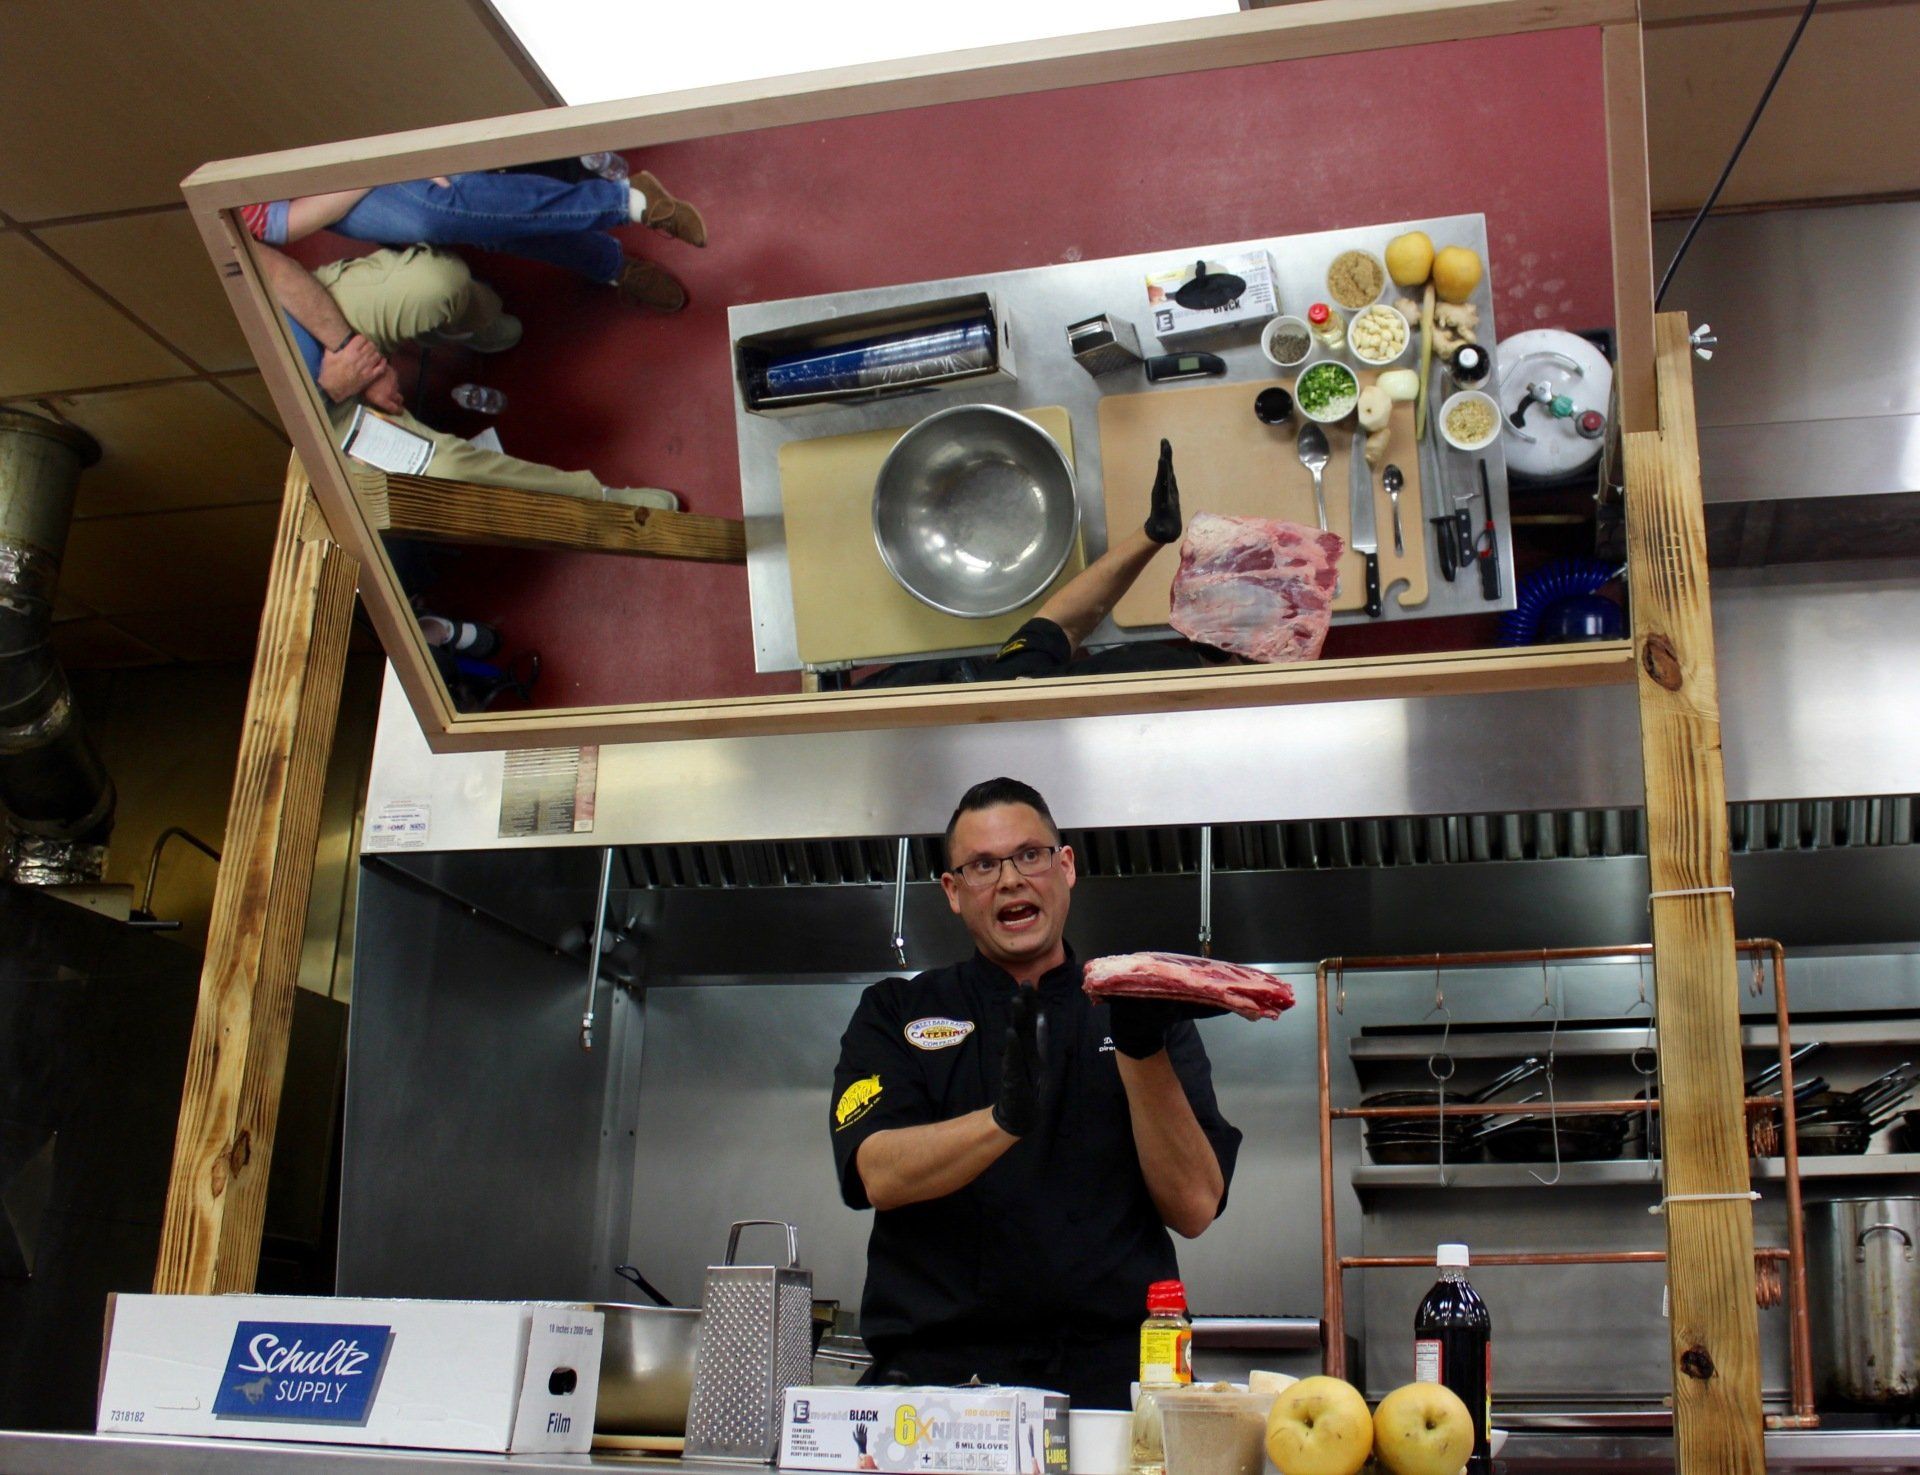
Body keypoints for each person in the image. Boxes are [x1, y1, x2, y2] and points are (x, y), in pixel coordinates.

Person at [828, 777, 1240, 1408]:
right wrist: (1002, 1122)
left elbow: (1194, 1206)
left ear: (1066, 866)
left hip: (1111, 1389)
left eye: (1030, 854)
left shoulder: (1143, 1011)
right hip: (937, 1386)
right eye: (983, 865)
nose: (1012, 880)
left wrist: (1139, 1048)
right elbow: (877, 1172)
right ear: (953, 891)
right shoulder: (896, 1010)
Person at [254, 243, 681, 508]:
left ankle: (468, 321)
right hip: (320, 410)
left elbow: (270, 268)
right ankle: (602, 500)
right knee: (448, 476)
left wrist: (353, 354)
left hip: (319, 318)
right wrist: (332, 390)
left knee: (437, 284)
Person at [239, 164, 706, 312]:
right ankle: (611, 263)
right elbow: (276, 226)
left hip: (320, 134)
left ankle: (628, 202)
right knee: (463, 222)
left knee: (443, 209)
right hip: (298, 197)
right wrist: (375, 169)